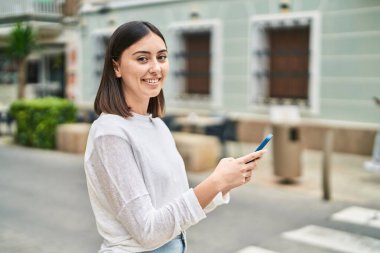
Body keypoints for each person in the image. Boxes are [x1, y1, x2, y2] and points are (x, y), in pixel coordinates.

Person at [84, 21, 267, 253]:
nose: (155, 68)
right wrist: (215, 182)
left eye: (161, 57)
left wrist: (223, 182)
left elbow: (177, 206)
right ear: (116, 67)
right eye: (142, 59)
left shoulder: (158, 126)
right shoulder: (110, 133)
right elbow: (148, 232)